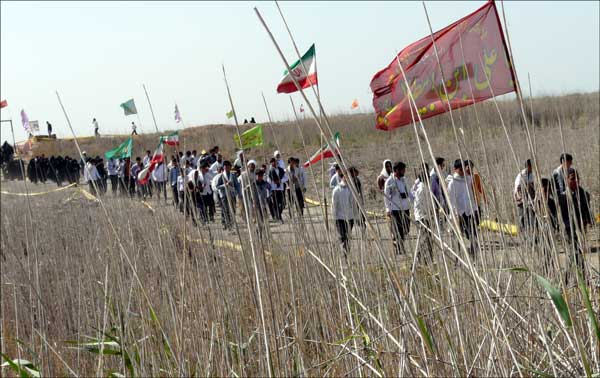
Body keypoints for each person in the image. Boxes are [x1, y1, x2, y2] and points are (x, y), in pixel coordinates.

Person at [558, 168, 593, 280]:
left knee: (578, 253)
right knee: (574, 253)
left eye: (577, 178)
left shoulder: (583, 194)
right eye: (573, 179)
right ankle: (571, 278)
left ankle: (579, 277)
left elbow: (587, 210)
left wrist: (588, 221)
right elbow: (561, 217)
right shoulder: (562, 197)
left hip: (581, 228)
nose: (576, 181)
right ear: (566, 180)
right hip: (569, 230)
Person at [447, 159, 479, 257]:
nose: (463, 172)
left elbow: (471, 195)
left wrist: (475, 208)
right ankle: (458, 257)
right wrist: (455, 215)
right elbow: (451, 201)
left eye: (463, 169)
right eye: (460, 170)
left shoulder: (468, 179)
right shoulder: (452, 183)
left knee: (473, 235)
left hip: (469, 211)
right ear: (455, 170)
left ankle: (473, 256)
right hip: (459, 214)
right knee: (458, 237)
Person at [384, 161, 413, 254]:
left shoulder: (404, 179)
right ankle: (400, 248)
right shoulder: (390, 181)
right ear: (397, 170)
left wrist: (414, 201)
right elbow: (386, 196)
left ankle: (398, 242)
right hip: (395, 209)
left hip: (405, 208)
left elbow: (409, 192)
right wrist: (388, 209)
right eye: (402, 169)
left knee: (406, 229)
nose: (404, 171)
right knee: (399, 230)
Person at [411, 163, 434, 262]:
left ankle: (427, 256)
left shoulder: (425, 187)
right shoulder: (421, 188)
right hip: (422, 216)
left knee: (428, 237)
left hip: (426, 215)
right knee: (426, 237)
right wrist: (426, 212)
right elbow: (418, 203)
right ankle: (419, 256)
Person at [332, 172, 354, 256]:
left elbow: (353, 203)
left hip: (350, 217)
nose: (348, 178)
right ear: (343, 177)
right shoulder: (337, 190)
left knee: (348, 236)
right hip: (340, 217)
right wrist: (334, 217)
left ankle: (346, 253)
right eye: (346, 176)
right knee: (343, 235)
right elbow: (334, 204)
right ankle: (343, 250)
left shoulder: (351, 189)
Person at [215, 160, 240, 230]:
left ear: (230, 167)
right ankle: (227, 224)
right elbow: (217, 186)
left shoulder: (233, 175)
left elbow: (237, 185)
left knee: (233, 209)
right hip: (224, 196)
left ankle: (231, 223)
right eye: (225, 166)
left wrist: (239, 193)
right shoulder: (221, 176)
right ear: (223, 167)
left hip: (232, 195)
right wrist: (225, 185)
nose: (226, 167)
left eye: (228, 166)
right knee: (226, 210)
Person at [514, 159, 536, 232]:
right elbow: (518, 189)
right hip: (521, 198)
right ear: (529, 166)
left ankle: (532, 231)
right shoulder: (521, 175)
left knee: (531, 215)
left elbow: (532, 187)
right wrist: (521, 199)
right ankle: (523, 231)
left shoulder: (531, 174)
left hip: (529, 199)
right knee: (522, 216)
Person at [267, 157, 287, 222]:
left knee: (281, 203)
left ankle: (279, 214)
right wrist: (272, 184)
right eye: (272, 162)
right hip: (274, 189)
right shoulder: (270, 171)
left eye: (274, 162)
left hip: (280, 189)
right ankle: (278, 216)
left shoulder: (281, 170)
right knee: (275, 203)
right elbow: (269, 180)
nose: (273, 163)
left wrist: (280, 181)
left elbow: (286, 178)